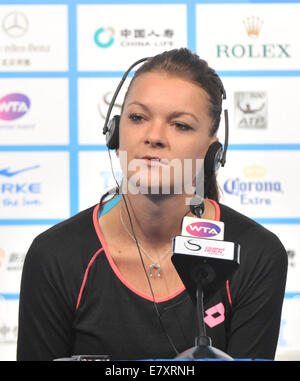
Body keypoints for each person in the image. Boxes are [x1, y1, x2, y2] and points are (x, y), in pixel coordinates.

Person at [17, 48, 287, 361]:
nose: (154, 136)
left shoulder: (255, 254)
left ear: (212, 153)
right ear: (115, 133)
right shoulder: (54, 256)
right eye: (138, 117)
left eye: (180, 125)